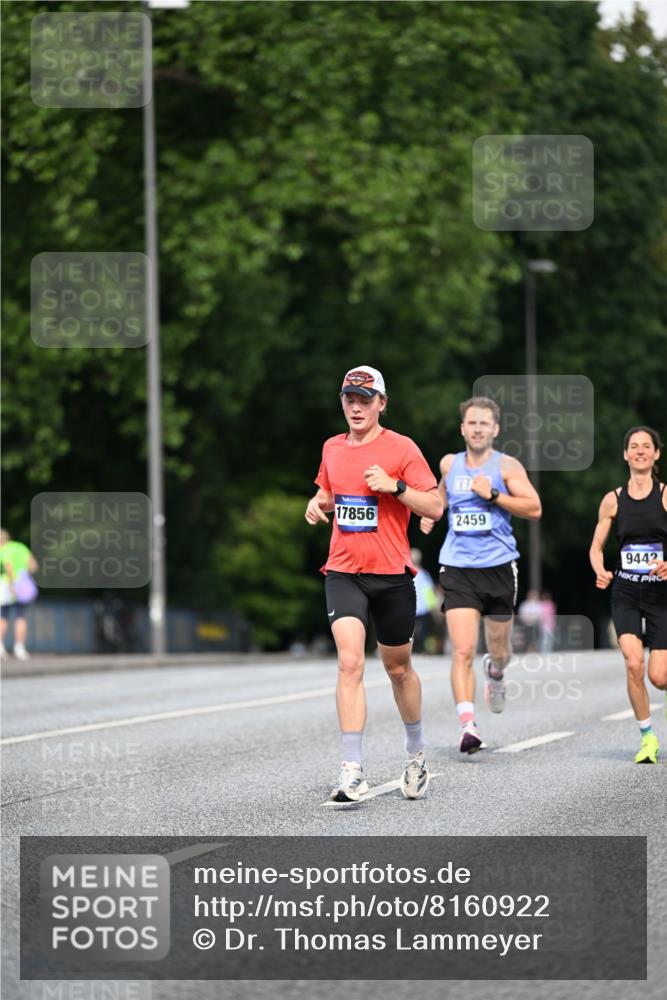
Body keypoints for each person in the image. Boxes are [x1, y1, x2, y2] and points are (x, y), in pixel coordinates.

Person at [305, 366, 443, 801]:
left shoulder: (401, 448)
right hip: (343, 571)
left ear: (382, 403)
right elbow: (331, 494)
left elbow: (435, 505)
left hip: (391, 576)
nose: (356, 406)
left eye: (366, 399)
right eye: (350, 398)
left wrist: (395, 486)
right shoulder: (331, 448)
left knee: (398, 668)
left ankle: (417, 755)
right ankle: (351, 770)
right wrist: (317, 503)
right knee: (349, 663)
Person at [420, 397, 542, 753]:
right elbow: (439, 500)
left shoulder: (507, 467)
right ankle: (468, 725)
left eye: (484, 424)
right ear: (462, 428)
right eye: (471, 423)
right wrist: (432, 513)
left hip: (499, 567)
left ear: (495, 429)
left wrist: (492, 495)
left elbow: (534, 508)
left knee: (499, 648)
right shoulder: (449, 464)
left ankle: (497, 671)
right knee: (463, 649)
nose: (477, 429)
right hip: (458, 567)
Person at [589, 426, 667, 764]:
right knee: (634, 664)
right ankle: (648, 738)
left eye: (646, 446)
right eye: (633, 446)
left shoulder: (665, 495)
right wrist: (600, 570)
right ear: (625, 454)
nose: (639, 451)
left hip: (662, 595)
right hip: (626, 591)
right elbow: (596, 547)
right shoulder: (612, 499)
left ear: (656, 454)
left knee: (659, 676)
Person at [0, 528, 39, 660]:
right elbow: (33, 565)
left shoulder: (3, 550)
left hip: (8, 585)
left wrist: (12, 584)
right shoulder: (20, 547)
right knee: (20, 616)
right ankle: (20, 648)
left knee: (3, 616)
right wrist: (24, 577)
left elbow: (9, 567)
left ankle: (0, 647)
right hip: (23, 585)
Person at [410, 548, 438, 654]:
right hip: (421, 608)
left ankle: (419, 649)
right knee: (423, 630)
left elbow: (429, 592)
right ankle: (422, 649)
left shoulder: (407, 574)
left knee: (417, 631)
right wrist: (433, 606)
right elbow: (429, 591)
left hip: (416, 608)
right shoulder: (423, 574)